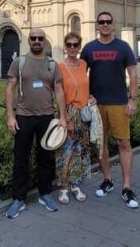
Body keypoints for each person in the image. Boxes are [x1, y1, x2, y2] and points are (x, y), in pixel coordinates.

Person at [4, 28, 68, 219]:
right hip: (23, 116)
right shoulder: (19, 62)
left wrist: (63, 117)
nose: (37, 41)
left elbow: (59, 91)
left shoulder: (52, 64)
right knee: (21, 159)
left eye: (40, 38)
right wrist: (10, 116)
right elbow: (10, 89)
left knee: (46, 158)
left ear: (45, 41)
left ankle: (45, 194)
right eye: (33, 38)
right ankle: (18, 199)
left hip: (47, 117)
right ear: (29, 40)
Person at [80, 11, 140, 209]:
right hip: (96, 106)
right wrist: (85, 96)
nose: (105, 24)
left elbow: (132, 74)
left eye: (108, 22)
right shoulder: (89, 48)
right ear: (97, 25)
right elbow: (81, 75)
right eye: (101, 22)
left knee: (124, 143)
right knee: (101, 144)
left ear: (113, 25)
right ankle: (107, 180)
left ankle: (126, 186)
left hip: (119, 103)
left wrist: (132, 99)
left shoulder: (123, 47)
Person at [56, 31, 96, 205]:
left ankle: (75, 184)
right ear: (65, 47)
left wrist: (91, 97)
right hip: (70, 113)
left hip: (84, 112)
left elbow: (84, 86)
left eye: (75, 45)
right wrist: (65, 117)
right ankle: (63, 187)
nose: (72, 47)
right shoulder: (60, 67)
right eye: (69, 44)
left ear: (80, 47)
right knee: (67, 150)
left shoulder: (83, 64)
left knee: (81, 149)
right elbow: (59, 93)